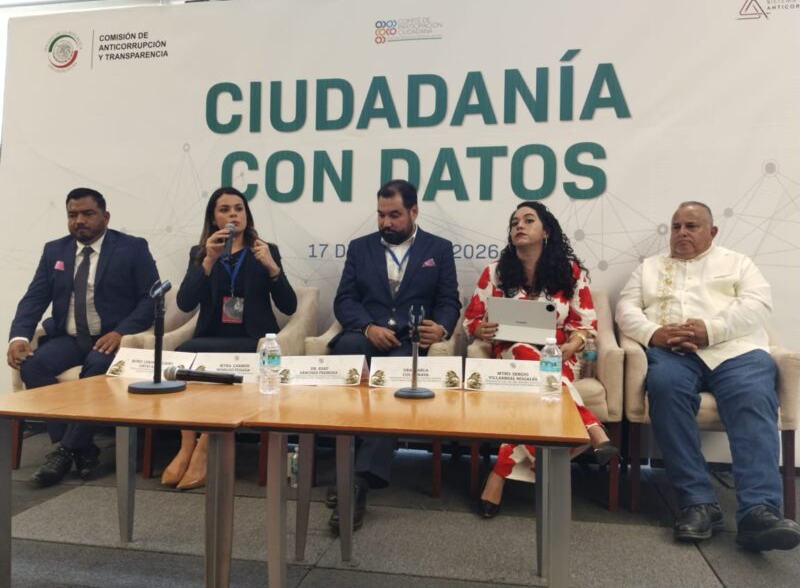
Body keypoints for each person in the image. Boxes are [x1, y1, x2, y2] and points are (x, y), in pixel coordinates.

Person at [616, 201, 800, 551]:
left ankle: (758, 511)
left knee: (753, 397)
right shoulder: (649, 267)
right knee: (665, 388)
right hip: (674, 353)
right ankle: (698, 503)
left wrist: (710, 330)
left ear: (712, 232)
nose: (681, 233)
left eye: (691, 226)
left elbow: (758, 305)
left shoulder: (738, 263)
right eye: (676, 227)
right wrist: (656, 334)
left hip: (735, 351)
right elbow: (626, 309)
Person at [464, 201, 618, 518]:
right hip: (510, 354)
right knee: (523, 348)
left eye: (528, 220)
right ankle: (591, 427)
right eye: (514, 222)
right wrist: (482, 329)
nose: (519, 226)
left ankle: (499, 473)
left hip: (559, 357)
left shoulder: (570, 272)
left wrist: (572, 344)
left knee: (543, 375)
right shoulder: (494, 271)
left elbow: (585, 324)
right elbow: (471, 320)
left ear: (546, 231)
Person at [327, 179, 461, 529]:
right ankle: (351, 469)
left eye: (394, 215)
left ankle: (355, 482)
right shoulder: (360, 248)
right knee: (347, 358)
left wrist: (441, 328)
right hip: (366, 335)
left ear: (414, 211)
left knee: (392, 381)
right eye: (381, 215)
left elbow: (449, 301)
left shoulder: (439, 249)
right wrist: (368, 327)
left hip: (409, 341)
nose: (385, 222)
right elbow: (345, 300)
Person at [7, 187, 159, 487]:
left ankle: (64, 451)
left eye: (87, 213)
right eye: (72, 215)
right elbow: (35, 298)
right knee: (33, 365)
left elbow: (151, 298)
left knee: (96, 368)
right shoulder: (55, 251)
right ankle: (80, 447)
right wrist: (18, 336)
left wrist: (121, 332)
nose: (79, 221)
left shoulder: (132, 248)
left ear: (105, 216)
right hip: (69, 337)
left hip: (110, 338)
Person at [160, 187, 297, 490]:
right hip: (210, 336)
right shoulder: (201, 252)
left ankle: (205, 449)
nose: (233, 214)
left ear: (246, 215)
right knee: (182, 355)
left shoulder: (265, 249)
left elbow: (289, 306)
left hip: (252, 341)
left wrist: (272, 268)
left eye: (239, 208)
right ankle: (186, 445)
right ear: (213, 218)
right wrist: (208, 261)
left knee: (223, 370)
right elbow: (185, 302)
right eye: (224, 209)